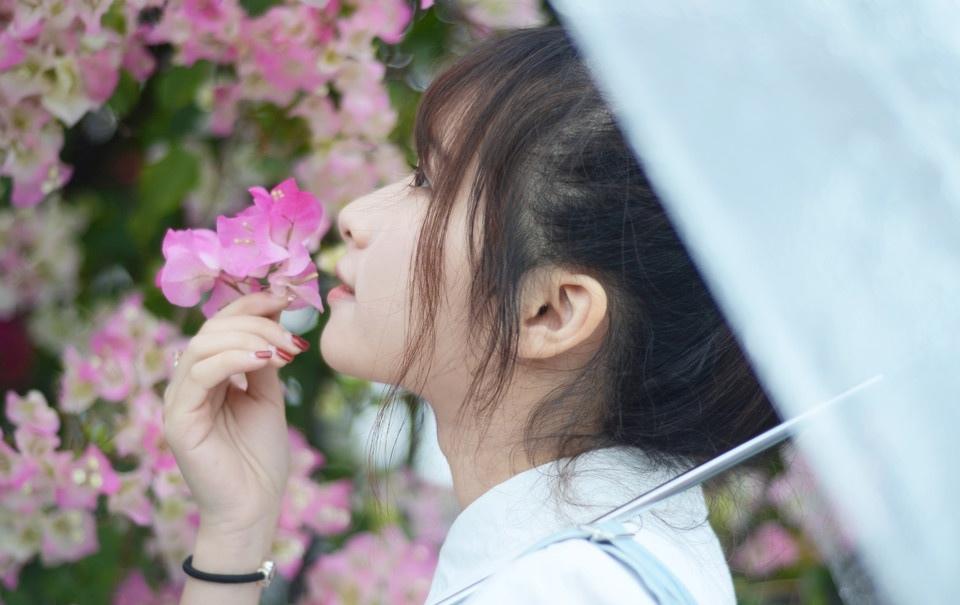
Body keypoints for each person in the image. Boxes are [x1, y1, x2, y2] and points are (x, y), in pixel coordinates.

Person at [162, 26, 779, 605]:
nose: (354, 215)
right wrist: (236, 531)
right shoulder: (590, 569)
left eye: (428, 181)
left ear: (548, 312)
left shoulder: (561, 589)